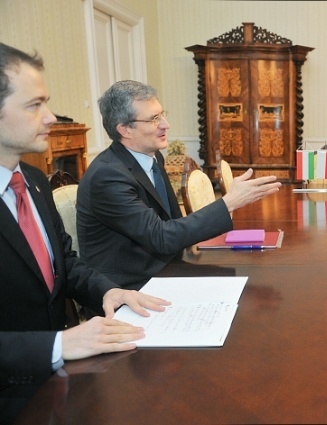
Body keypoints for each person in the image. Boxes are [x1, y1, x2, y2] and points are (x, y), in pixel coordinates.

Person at [0, 43, 170, 422]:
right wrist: (57, 344)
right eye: (34, 105)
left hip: (59, 388)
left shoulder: (32, 181)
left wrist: (108, 290)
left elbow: (65, 263)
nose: (50, 118)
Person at [76, 80, 282, 290]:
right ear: (125, 130)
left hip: (166, 266)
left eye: (162, 115)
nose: (165, 124)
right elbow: (161, 237)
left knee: (252, 278)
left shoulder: (153, 157)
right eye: (154, 119)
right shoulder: (107, 176)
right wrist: (228, 202)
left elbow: (173, 222)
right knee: (243, 289)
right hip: (130, 287)